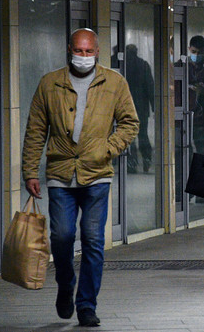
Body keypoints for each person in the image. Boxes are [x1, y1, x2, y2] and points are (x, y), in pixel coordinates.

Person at [22, 28, 138, 327]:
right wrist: (29, 170)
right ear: (69, 50)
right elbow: (35, 130)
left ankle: (86, 305)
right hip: (60, 174)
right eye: (78, 51)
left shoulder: (114, 82)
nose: (83, 56)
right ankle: (64, 282)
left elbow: (129, 123)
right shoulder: (50, 83)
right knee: (61, 236)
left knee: (93, 239)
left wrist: (107, 149)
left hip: (97, 174)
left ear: (97, 52)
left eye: (89, 51)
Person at [123, 44, 154, 173]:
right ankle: (146, 159)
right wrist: (155, 107)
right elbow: (150, 87)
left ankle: (132, 163)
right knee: (143, 135)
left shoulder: (123, 66)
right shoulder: (144, 65)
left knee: (129, 137)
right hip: (142, 108)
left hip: (126, 107)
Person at [186, 35, 204, 154]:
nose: (196, 55)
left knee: (203, 151)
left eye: (199, 52)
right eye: (194, 52)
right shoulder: (181, 68)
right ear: (189, 49)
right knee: (183, 151)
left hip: (203, 119)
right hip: (185, 116)